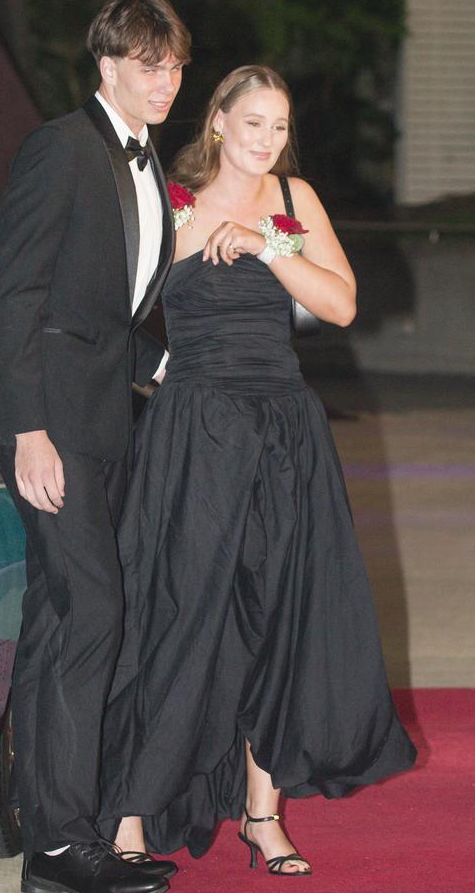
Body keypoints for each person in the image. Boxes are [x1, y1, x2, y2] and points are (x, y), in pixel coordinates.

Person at [99, 66, 417, 876]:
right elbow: (111, 307)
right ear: (218, 124)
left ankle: (262, 815)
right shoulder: (168, 199)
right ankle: (132, 812)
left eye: (279, 127)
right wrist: (161, 367)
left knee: (281, 618)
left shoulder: (293, 200)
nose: (268, 141)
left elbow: (341, 305)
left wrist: (270, 245)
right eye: (254, 125)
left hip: (283, 427)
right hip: (197, 431)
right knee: (179, 614)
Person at [0, 0, 191, 893]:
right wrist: (29, 431)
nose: (167, 81)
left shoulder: (146, 167)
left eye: (176, 65)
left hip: (109, 421)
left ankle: (44, 841)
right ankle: (69, 839)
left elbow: (125, 311)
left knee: (59, 621)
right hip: (51, 424)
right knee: (97, 611)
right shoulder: (62, 147)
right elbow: (15, 294)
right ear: (107, 66)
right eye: (150, 64)